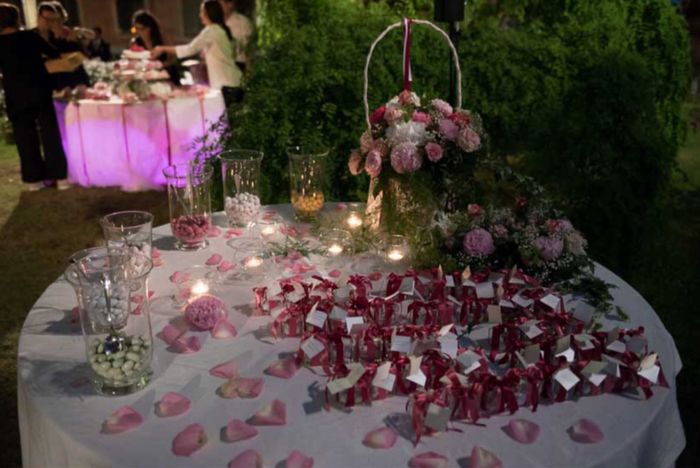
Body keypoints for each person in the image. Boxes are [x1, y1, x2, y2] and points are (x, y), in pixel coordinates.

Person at [0, 3, 69, 190]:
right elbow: (54, 53)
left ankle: (34, 180)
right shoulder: (29, 36)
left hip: (15, 95)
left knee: (24, 137)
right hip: (39, 90)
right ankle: (60, 178)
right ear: (16, 19)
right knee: (50, 134)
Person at [152, 0, 242, 103]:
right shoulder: (221, 29)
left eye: (202, 12)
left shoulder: (211, 30)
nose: (200, 16)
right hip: (232, 81)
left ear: (209, 13)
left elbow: (189, 49)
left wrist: (162, 49)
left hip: (226, 84)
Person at [34, 1, 89, 91]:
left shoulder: (69, 36)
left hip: (72, 83)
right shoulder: (35, 37)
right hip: (48, 85)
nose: (55, 23)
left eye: (58, 20)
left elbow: (82, 56)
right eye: (50, 20)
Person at [130, 10, 180, 83]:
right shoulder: (135, 42)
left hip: (168, 77)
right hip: (147, 79)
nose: (138, 32)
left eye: (141, 29)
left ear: (149, 28)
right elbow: (132, 63)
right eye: (135, 29)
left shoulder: (161, 39)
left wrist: (160, 65)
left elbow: (173, 59)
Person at [219, 0, 253, 73]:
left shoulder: (242, 23)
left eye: (219, 3)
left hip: (238, 67)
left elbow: (247, 50)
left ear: (230, 4)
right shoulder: (215, 23)